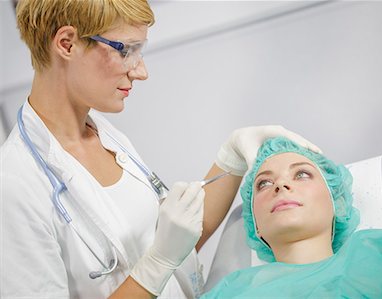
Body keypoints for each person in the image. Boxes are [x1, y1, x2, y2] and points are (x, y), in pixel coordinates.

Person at [0, 1, 321, 298]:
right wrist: (157, 263)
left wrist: (231, 159)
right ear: (67, 43)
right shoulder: (15, 187)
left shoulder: (106, 136)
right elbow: (162, 259)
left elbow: (176, 244)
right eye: (126, 50)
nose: (141, 71)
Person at [202, 137, 382, 298]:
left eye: (301, 175)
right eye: (264, 183)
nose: (281, 185)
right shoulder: (230, 290)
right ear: (255, 225)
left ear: (337, 201)